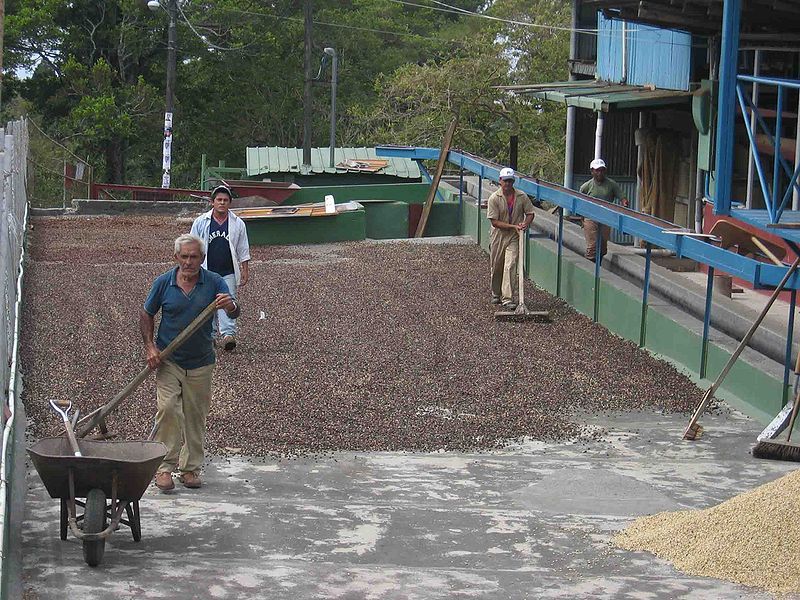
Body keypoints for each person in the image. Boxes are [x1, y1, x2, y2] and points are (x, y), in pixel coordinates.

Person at [140, 234, 240, 491]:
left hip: (201, 362)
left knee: (196, 416)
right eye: (183, 256)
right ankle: (164, 469)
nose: (188, 262)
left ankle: (190, 469)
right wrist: (150, 347)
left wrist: (230, 306)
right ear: (176, 258)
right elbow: (147, 313)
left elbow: (233, 310)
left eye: (194, 257)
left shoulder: (214, 282)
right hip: (169, 360)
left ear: (202, 259)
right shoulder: (163, 283)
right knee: (168, 410)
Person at [190, 185, 251, 351]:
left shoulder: (238, 224)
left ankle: (228, 335)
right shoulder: (201, 222)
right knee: (205, 302)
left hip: (228, 271)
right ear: (212, 202)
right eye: (219, 200)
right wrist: (190, 268)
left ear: (230, 203)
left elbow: (243, 248)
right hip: (206, 270)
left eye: (225, 200)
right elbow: (193, 245)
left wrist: (245, 269)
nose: (222, 203)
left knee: (228, 301)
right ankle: (209, 336)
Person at [487, 167, 535, 309]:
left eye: (510, 181)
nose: (507, 184)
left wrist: (525, 223)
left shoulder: (521, 197)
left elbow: (530, 213)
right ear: (500, 181)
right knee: (497, 266)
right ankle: (496, 293)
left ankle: (507, 298)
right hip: (498, 236)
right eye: (505, 181)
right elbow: (494, 222)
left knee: (510, 264)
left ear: (513, 182)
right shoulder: (494, 198)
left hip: (514, 236)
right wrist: (513, 226)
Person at [580, 159, 629, 262]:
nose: (599, 173)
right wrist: (582, 218)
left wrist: (624, 204)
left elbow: (622, 197)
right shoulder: (586, 186)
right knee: (593, 245)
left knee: (602, 247)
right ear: (592, 171)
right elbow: (580, 202)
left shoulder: (611, 185)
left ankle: (599, 265)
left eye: (602, 170)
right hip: (590, 218)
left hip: (605, 218)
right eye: (597, 171)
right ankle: (590, 267)